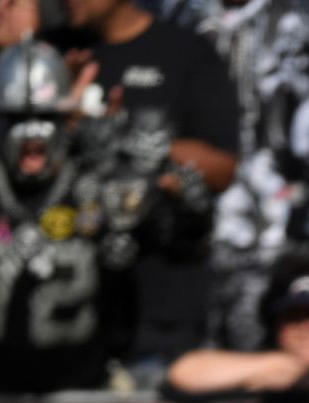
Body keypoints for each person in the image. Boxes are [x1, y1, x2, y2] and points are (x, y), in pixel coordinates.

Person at [0, 39, 211, 390]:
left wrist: (190, 210)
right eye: (16, 120)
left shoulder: (98, 188)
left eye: (44, 119)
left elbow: (183, 247)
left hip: (84, 391)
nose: (32, 136)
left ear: (65, 120)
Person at [54, 0, 239, 369]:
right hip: (63, 299)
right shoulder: (56, 53)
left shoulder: (186, 52)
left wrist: (124, 137)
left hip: (159, 304)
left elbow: (221, 167)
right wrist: (54, 118)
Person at [148, 0, 309, 352]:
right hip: (187, 241)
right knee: (192, 375)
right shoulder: (171, 11)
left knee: (280, 368)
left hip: (285, 235)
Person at [167, 252, 309, 392]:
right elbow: (186, 372)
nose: (308, 327)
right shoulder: (261, 360)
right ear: (274, 324)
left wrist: (291, 375)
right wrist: (280, 365)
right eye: (293, 317)